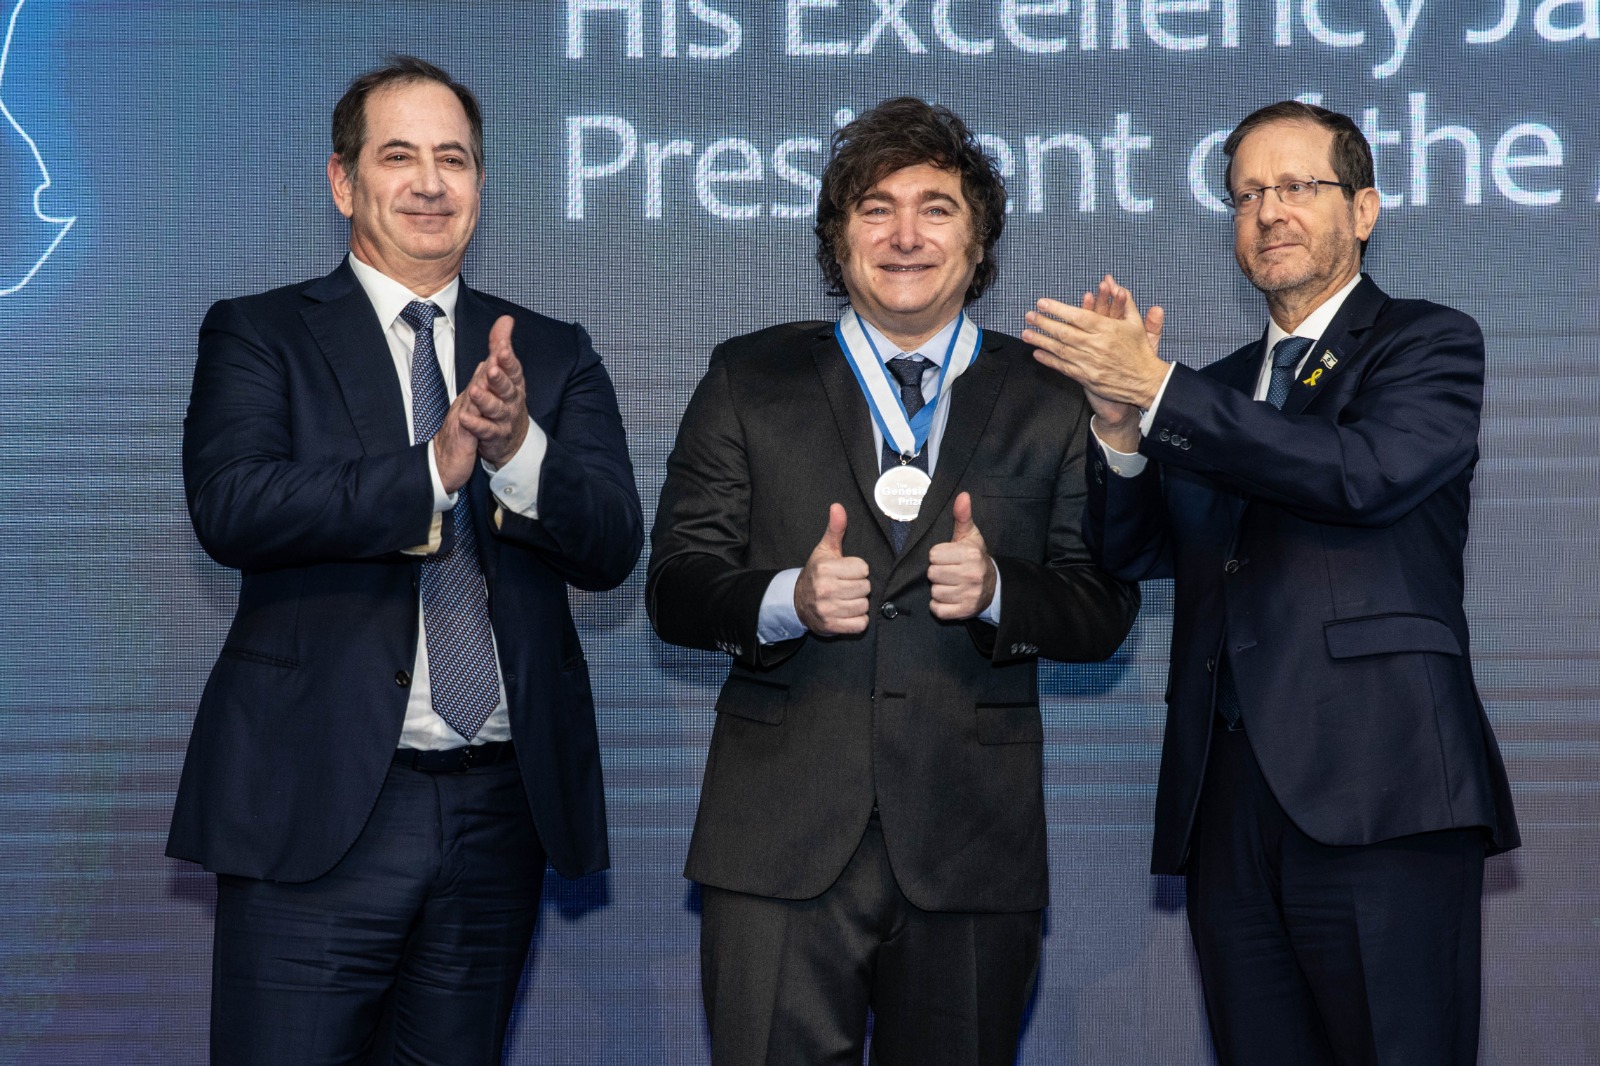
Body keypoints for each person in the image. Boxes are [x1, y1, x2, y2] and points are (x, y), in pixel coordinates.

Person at [167, 56, 642, 1064]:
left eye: (453, 160)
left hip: (500, 808)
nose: (430, 183)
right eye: (399, 157)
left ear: (480, 184)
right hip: (319, 800)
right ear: (344, 183)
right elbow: (232, 505)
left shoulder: (549, 354)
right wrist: (433, 467)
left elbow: (610, 544)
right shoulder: (261, 333)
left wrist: (517, 449)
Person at [1024, 100, 1520, 1065]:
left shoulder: (1426, 343)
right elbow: (1133, 550)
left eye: (1297, 186)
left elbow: (1360, 475)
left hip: (1383, 790)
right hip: (1228, 802)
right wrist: (1120, 428)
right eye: (1247, 194)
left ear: (1364, 209)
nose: (1269, 211)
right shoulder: (1213, 387)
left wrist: (1160, 390)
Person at [647, 97, 1139, 1065]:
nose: (905, 235)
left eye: (936, 208)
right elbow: (675, 584)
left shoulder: (1051, 392)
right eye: (875, 208)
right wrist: (786, 600)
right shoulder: (748, 376)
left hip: (971, 845)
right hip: (776, 845)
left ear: (978, 240)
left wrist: (998, 590)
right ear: (838, 241)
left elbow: (1100, 607)